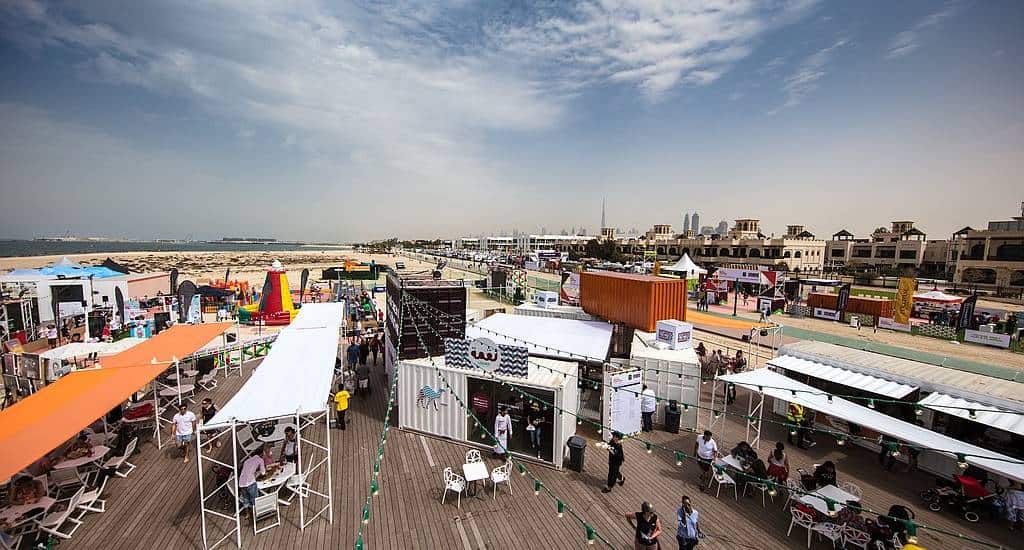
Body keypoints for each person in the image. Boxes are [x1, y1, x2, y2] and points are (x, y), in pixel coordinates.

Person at [238, 446, 267, 512]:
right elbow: (263, 472)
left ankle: (247, 513)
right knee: (254, 498)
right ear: (261, 454)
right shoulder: (260, 460)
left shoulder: (247, 460)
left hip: (241, 483)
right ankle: (256, 512)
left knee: (245, 499)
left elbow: (247, 471)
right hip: (250, 482)